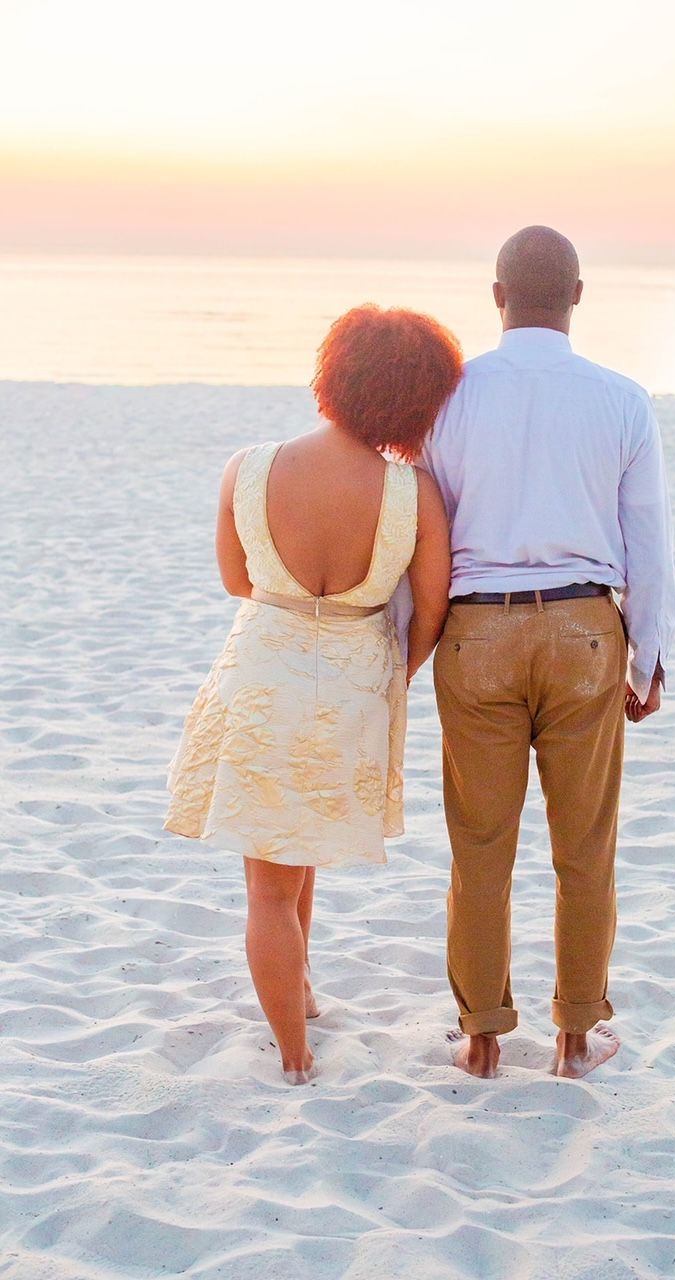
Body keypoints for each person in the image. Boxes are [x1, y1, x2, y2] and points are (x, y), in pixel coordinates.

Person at [165, 305, 462, 1083]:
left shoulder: (250, 466)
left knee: (268, 876)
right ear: (417, 399)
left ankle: (294, 1047)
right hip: (356, 674)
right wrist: (395, 674)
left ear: (333, 376)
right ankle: (298, 1019)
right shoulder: (413, 492)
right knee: (296, 857)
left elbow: (237, 581)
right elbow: (431, 608)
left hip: (265, 661)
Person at [420, 226, 675, 1080]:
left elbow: (423, 539)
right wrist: (649, 656)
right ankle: (573, 1037)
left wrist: (408, 647)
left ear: (498, 296)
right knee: (585, 846)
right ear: (577, 295)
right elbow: (650, 542)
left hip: (477, 630)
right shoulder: (621, 398)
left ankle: (483, 1038)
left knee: (480, 845)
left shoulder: (445, 397)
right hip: (584, 631)